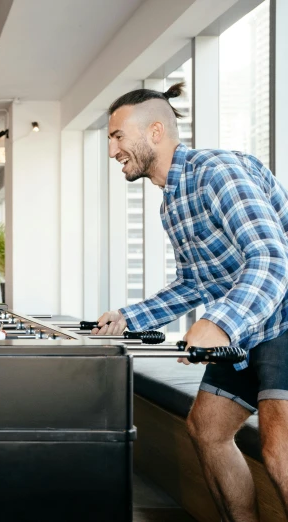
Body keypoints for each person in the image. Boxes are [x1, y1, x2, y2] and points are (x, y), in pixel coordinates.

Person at [95, 82, 288, 520]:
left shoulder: (216, 172)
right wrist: (130, 317)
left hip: (283, 314)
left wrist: (220, 322)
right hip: (248, 326)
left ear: (156, 131)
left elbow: (272, 258)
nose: (112, 151)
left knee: (280, 449)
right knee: (207, 428)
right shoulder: (173, 203)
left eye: (118, 136)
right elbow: (194, 284)